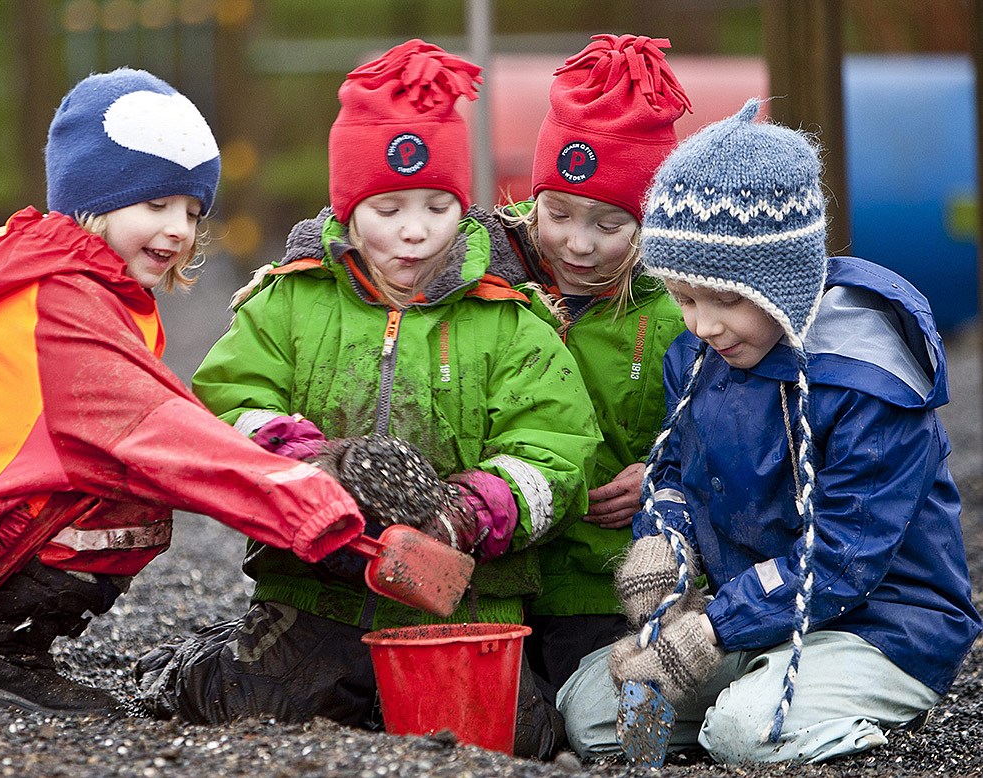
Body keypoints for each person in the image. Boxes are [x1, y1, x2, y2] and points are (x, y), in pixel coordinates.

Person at [0, 68, 366, 717]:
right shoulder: (64, 310)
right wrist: (314, 507)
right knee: (132, 496)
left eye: (194, 212)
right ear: (93, 200)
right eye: (155, 204)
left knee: (114, 475)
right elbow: (163, 435)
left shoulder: (69, 284)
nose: (178, 230)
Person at [133, 39, 598, 760]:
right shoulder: (290, 301)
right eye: (387, 207)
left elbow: (555, 448)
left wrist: (466, 514)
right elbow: (226, 402)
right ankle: (195, 665)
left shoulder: (509, 318)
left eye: (438, 205)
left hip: (465, 598)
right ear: (348, 210)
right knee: (253, 705)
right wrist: (314, 460)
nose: (414, 230)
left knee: (507, 739)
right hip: (320, 591)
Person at [556, 99, 982, 764]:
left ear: (789, 282)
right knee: (591, 712)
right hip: (751, 622)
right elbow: (673, 473)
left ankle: (849, 720)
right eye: (684, 297)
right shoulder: (697, 358)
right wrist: (661, 544)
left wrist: (710, 632)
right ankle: (754, 697)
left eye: (727, 299)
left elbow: (843, 556)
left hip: (880, 625)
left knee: (742, 731)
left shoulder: (864, 380)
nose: (703, 325)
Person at [497, 33, 692, 701]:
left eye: (610, 225)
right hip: (503, 571)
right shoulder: (496, 282)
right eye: (558, 213)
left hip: (603, 582)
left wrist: (670, 474)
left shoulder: (677, 312)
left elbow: (729, 421)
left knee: (584, 710)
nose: (577, 244)